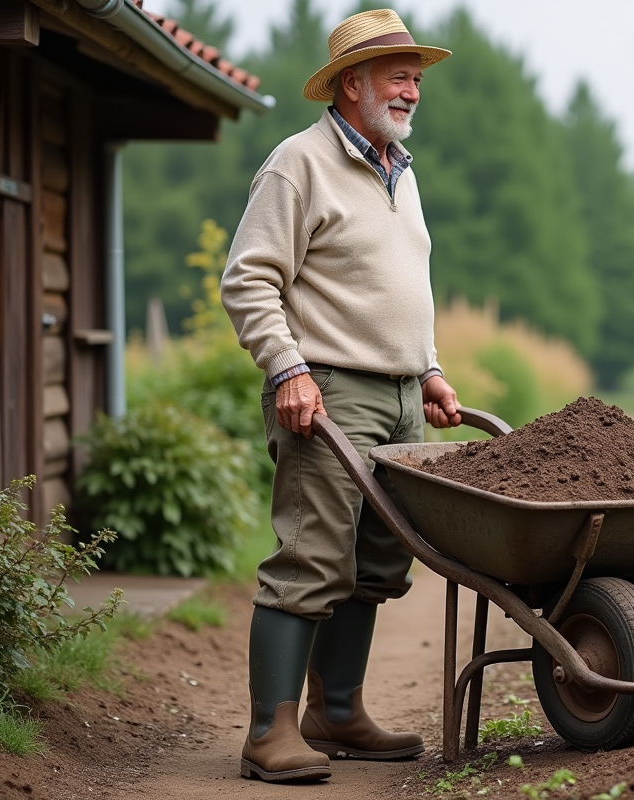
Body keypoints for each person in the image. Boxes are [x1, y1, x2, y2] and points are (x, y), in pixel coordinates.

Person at [220, 9, 462, 783]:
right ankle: (270, 733)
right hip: (325, 391)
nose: (412, 91)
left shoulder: (401, 168)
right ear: (350, 83)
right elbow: (250, 278)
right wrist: (287, 368)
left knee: (379, 560)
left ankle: (340, 712)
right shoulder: (300, 163)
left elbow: (402, 287)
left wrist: (427, 367)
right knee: (312, 555)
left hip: (397, 395)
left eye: (417, 78)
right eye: (398, 75)